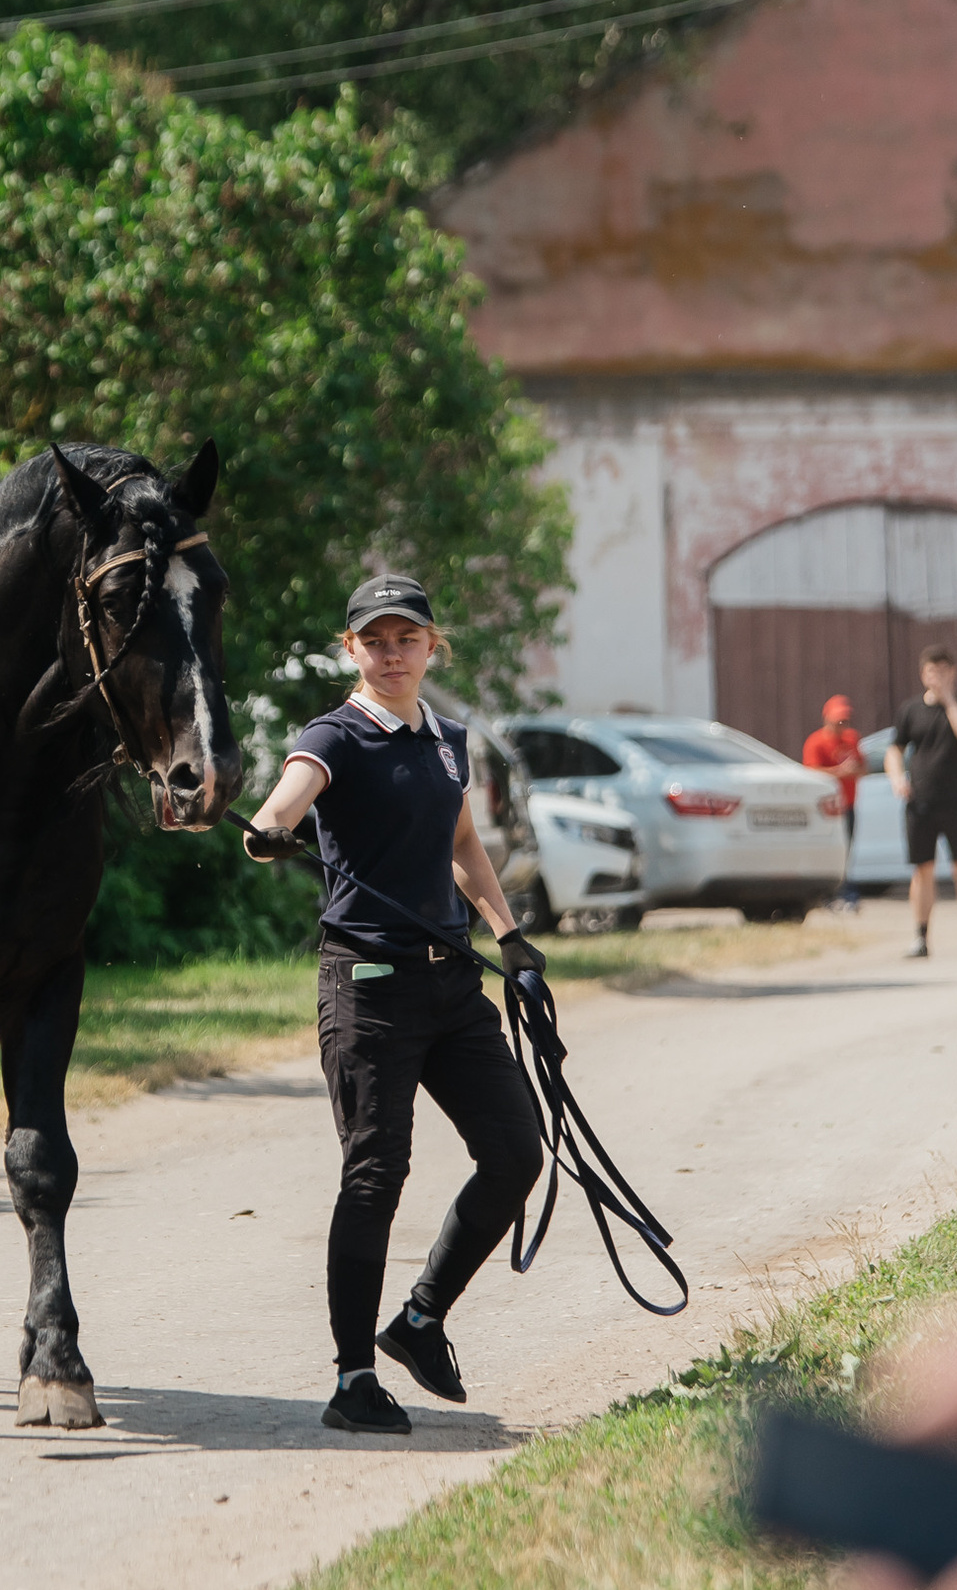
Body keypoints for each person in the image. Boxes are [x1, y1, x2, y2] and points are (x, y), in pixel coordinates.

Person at [242, 572, 547, 1436]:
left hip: (451, 982)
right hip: (367, 988)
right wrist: (268, 829)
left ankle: (419, 1319)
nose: (389, 652)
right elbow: (285, 801)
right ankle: (351, 1377)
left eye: (404, 637)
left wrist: (509, 936)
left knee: (517, 1152)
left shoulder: (446, 738)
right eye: (373, 639)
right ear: (352, 650)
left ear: (430, 644)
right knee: (375, 1175)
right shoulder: (331, 735)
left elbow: (460, 842)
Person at [886, 645, 957, 959]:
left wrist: (949, 700)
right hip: (921, 804)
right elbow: (894, 749)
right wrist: (896, 778)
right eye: (932, 671)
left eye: (943, 671)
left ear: (953, 673)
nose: (937, 677)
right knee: (923, 870)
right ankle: (921, 938)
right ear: (922, 674)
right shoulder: (910, 710)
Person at [803, 695, 865, 912]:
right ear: (826, 718)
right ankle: (827, 894)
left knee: (846, 850)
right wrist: (840, 772)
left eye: (845, 721)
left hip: (848, 805)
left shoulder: (852, 739)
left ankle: (845, 892)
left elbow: (862, 767)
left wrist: (852, 770)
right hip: (826, 810)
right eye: (838, 721)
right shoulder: (816, 741)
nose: (842, 726)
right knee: (828, 850)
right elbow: (812, 772)